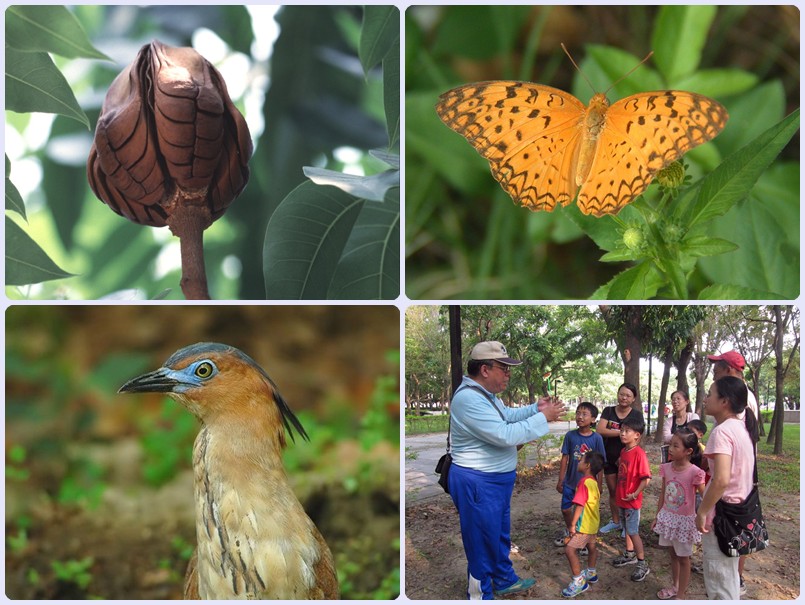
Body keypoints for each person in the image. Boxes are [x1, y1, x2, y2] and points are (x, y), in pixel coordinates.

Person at [448, 340, 566, 600]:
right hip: (479, 482)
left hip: (495, 482)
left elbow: (508, 416)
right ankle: (480, 594)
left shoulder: (486, 396)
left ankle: (503, 579)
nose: (508, 373)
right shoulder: (469, 398)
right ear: (485, 370)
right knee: (480, 541)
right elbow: (504, 434)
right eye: (504, 368)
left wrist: (536, 408)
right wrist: (543, 418)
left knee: (498, 534)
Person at [695, 376, 757, 600]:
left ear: (725, 401)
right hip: (738, 513)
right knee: (728, 578)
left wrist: (702, 511)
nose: (706, 399)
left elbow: (720, 479)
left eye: (710, 394)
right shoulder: (741, 428)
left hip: (721, 516)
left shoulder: (722, 432)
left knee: (720, 582)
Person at [708, 350, 759, 595]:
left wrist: (703, 509)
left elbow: (722, 478)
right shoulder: (738, 420)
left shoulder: (726, 427)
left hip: (726, 502)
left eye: (717, 367)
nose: (714, 372)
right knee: (725, 568)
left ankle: (734, 579)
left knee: (722, 577)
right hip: (738, 492)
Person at [651, 429, 706, 600]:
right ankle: (675, 586)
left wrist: (705, 517)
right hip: (668, 518)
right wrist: (657, 516)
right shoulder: (666, 468)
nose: (671, 449)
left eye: (676, 446)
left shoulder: (695, 472)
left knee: (684, 558)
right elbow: (663, 493)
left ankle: (681, 595)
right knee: (673, 554)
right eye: (670, 444)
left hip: (684, 522)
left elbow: (705, 497)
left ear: (688, 451)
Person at [555, 402, 606, 548]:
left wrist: (599, 484)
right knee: (565, 509)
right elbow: (565, 457)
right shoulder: (570, 436)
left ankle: (581, 537)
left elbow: (601, 463)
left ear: (593, 419)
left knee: (584, 513)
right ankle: (571, 530)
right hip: (570, 482)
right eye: (578, 413)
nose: (580, 417)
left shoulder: (597, 439)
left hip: (587, 485)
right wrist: (561, 480)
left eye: (584, 414)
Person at [596, 383, 643, 533]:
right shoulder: (608, 411)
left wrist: (625, 454)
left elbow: (637, 436)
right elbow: (600, 430)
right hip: (609, 457)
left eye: (628, 395)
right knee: (613, 491)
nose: (624, 398)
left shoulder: (636, 415)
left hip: (627, 459)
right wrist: (622, 432)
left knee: (628, 491)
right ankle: (616, 521)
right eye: (621, 394)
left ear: (633, 398)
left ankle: (627, 524)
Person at [610, 415, 651, 582]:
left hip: (632, 501)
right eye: (621, 430)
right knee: (626, 529)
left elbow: (646, 479)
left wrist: (635, 493)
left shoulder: (639, 454)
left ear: (637, 435)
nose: (622, 433)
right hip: (622, 498)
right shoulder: (624, 451)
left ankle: (642, 563)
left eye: (627, 431)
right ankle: (630, 554)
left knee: (633, 531)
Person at [561, 450, 605, 598]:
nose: (578, 462)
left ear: (587, 465)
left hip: (583, 526)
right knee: (591, 547)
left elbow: (579, 505)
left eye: (581, 461)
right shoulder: (594, 483)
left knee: (570, 550)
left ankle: (578, 581)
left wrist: (572, 525)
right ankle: (591, 572)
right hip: (593, 524)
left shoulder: (584, 482)